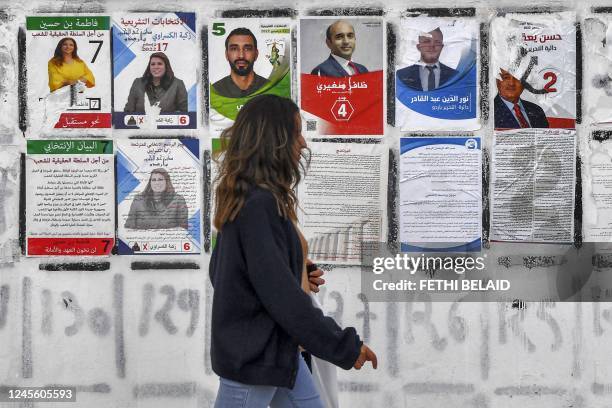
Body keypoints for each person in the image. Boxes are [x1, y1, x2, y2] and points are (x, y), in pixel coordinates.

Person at [210, 94, 377, 407]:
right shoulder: (257, 205)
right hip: (255, 361)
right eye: (297, 133)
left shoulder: (252, 199)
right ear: (275, 140)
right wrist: (343, 346)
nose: (303, 143)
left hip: (278, 354)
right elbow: (283, 298)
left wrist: (293, 266)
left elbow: (228, 271)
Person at [212, 27, 269, 98]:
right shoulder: (214, 91)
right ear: (226, 54)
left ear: (256, 54)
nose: (241, 55)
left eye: (247, 49)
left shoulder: (271, 88)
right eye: (234, 49)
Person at [124, 52, 188, 113]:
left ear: (166, 66)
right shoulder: (138, 83)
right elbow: (128, 111)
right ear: (149, 67)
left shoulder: (178, 84)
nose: (156, 67)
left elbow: (184, 112)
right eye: (152, 64)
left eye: (160, 64)